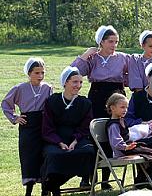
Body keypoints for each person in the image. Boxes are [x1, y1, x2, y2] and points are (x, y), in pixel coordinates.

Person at [71, 25, 129, 190]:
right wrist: (85, 55)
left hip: (116, 95)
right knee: (93, 135)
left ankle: (105, 180)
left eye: (116, 42)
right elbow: (74, 71)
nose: (114, 45)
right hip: (97, 96)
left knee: (111, 134)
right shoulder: (93, 58)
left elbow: (134, 72)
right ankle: (87, 178)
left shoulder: (122, 58)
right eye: (110, 41)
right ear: (101, 42)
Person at [40, 66, 95, 196]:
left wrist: (75, 141)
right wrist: (59, 142)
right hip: (55, 140)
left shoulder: (85, 103)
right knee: (54, 155)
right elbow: (47, 127)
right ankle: (54, 188)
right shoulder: (52, 101)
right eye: (75, 82)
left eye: (81, 82)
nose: (78, 85)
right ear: (65, 82)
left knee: (88, 152)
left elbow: (85, 127)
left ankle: (54, 183)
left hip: (77, 139)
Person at [2, 57, 52, 196]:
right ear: (29, 73)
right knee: (28, 157)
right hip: (28, 125)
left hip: (42, 124)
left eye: (42, 73)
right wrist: (15, 117)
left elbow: (50, 107)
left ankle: (45, 189)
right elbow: (6, 104)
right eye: (36, 73)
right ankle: (29, 191)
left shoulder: (47, 88)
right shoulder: (20, 88)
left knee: (44, 156)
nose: (40, 76)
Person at [105, 93, 152, 188]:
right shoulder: (113, 125)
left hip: (129, 146)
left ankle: (149, 179)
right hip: (123, 150)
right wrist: (126, 147)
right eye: (122, 107)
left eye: (126, 108)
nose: (125, 110)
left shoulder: (121, 120)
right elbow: (116, 142)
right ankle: (150, 180)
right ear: (113, 108)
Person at [124, 63, 152, 187]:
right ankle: (150, 178)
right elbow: (127, 119)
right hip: (141, 136)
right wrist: (143, 123)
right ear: (148, 78)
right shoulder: (137, 97)